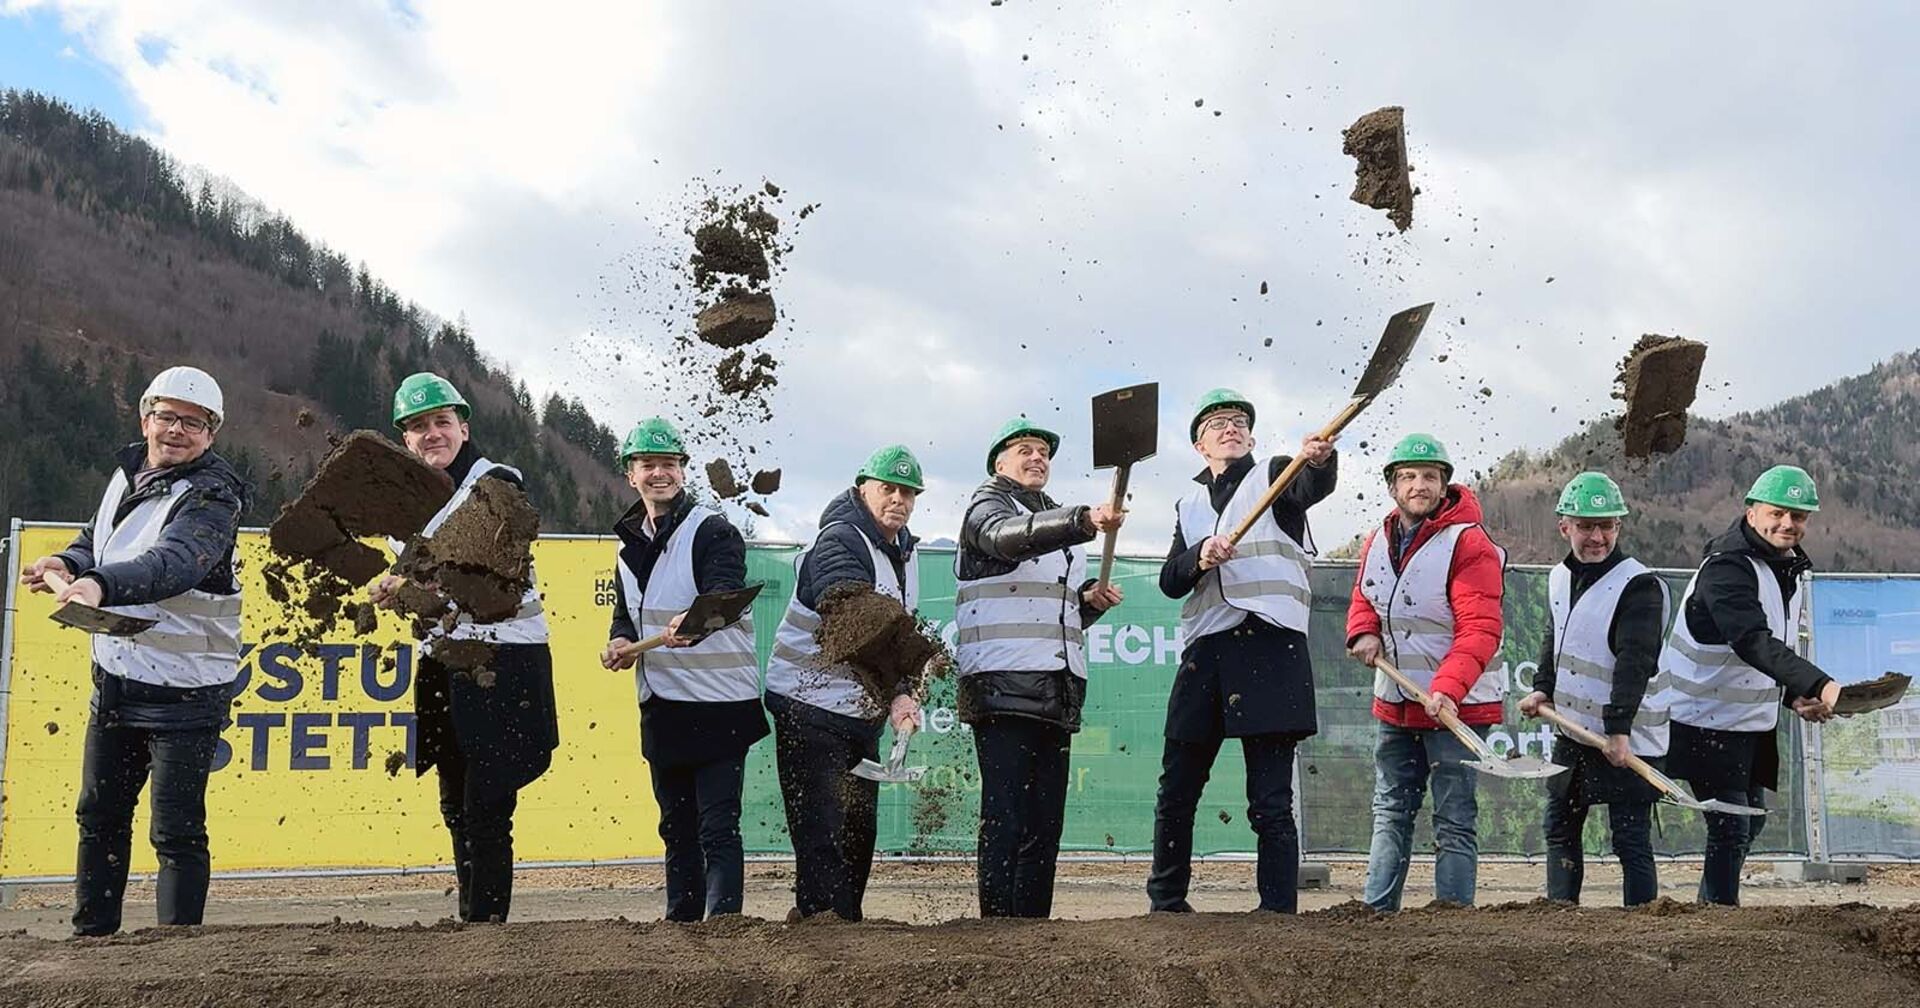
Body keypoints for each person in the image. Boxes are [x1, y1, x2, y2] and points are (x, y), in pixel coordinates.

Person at [21, 366, 247, 936]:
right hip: (117, 681)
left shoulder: (214, 496)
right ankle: (93, 939)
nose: (176, 430)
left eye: (192, 422)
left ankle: (174, 959)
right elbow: (98, 535)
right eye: (166, 416)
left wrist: (99, 583)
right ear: (145, 417)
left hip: (187, 693)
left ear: (210, 434)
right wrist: (68, 564)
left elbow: (175, 561)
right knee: (99, 817)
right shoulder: (128, 473)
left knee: (175, 832)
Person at [370, 371, 559, 923]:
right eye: (419, 427)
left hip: (503, 660)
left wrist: (411, 585)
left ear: (463, 426)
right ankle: (472, 918)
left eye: (441, 423)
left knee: (487, 804)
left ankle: (486, 925)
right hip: (443, 659)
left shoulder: (497, 484)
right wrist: (396, 583)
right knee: (455, 801)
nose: (432, 434)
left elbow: (482, 565)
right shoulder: (403, 503)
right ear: (405, 438)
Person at [1149, 389, 1335, 914]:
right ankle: (1166, 901)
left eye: (1238, 422)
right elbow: (1169, 580)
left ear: (1251, 437)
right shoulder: (1187, 505)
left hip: (1270, 646)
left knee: (1271, 801)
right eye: (1216, 423)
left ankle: (1277, 910)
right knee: (1177, 788)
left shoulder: (1276, 474)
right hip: (1206, 651)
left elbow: (1310, 485)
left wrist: (1321, 461)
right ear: (1198, 445)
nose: (1229, 428)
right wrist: (1199, 555)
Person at [955, 417, 1124, 918]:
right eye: (1024, 450)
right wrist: (1083, 520)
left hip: (1055, 689)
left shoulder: (1050, 517)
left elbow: (1046, 608)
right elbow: (1007, 540)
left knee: (1044, 822)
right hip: (1003, 689)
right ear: (999, 464)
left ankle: (1033, 929)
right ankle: (998, 925)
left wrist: (1086, 602)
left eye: (1043, 452)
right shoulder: (986, 507)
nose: (1037, 458)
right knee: (1006, 816)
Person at [601, 417, 767, 921]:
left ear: (683, 472)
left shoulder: (712, 530)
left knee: (717, 825)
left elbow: (724, 594)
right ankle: (682, 921)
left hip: (718, 707)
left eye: (668, 464)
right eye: (648, 465)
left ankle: (725, 925)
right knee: (676, 826)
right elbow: (625, 615)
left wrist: (693, 620)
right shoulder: (628, 549)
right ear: (631, 474)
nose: (659, 474)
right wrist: (619, 642)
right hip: (665, 707)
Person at [1660, 464, 1841, 906]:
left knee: (1750, 821)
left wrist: (1794, 695)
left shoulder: (1784, 568)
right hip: (1700, 718)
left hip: (1745, 721)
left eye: (1799, 517)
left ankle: (1710, 909)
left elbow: (1762, 652)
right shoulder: (1726, 569)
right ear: (1753, 511)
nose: (1788, 524)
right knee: (1731, 823)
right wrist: (1821, 684)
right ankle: (1720, 921)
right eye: (1778, 513)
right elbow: (1751, 642)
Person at [762, 445, 927, 920]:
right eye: (887, 489)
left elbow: (899, 630)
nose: (898, 499)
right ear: (862, 490)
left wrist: (907, 685)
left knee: (858, 830)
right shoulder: (839, 541)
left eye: (908, 492)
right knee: (824, 832)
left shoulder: (903, 552)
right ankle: (820, 929)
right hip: (809, 708)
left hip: (856, 716)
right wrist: (898, 690)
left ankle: (844, 927)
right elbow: (856, 627)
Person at [1345, 433, 1506, 911]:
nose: (1419, 485)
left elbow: (1480, 628)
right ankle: (1376, 915)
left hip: (1456, 707)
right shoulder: (1377, 539)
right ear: (1394, 486)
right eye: (1409, 477)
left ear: (1444, 485)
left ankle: (1452, 919)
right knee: (1390, 809)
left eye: (1429, 477)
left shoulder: (1468, 543)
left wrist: (1447, 689)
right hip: (1396, 702)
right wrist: (1363, 632)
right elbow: (1364, 597)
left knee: (1454, 816)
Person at [1516, 472, 1669, 906]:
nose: (1597, 536)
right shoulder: (1558, 577)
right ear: (1565, 526)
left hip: (1627, 735)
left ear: (1619, 526)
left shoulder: (1639, 584)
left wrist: (1619, 730)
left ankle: (1640, 928)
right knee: (1560, 827)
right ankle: (1561, 917)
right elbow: (1556, 637)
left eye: (1606, 526)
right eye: (1586, 526)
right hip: (1574, 731)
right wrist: (1543, 687)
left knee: (1630, 839)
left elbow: (1634, 663)